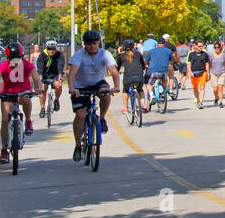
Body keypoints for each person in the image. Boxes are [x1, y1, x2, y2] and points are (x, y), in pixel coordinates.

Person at [65, 29, 120, 162]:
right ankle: (78, 145)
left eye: (94, 43)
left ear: (98, 42)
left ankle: (101, 118)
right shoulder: (79, 55)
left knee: (106, 92)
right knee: (80, 115)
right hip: (80, 86)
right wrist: (72, 88)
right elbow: (72, 73)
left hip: (97, 83)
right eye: (88, 43)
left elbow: (113, 70)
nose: (91, 46)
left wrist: (117, 86)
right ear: (84, 44)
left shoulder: (104, 54)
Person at [0, 43, 42, 165]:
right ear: (8, 58)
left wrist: (38, 87)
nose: (16, 61)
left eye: (18, 58)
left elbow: (36, 77)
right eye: (12, 59)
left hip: (23, 92)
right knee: (5, 120)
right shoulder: (3, 66)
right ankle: (4, 150)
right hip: (8, 94)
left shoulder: (27, 64)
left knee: (27, 98)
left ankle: (28, 121)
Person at [118, 40, 148, 115]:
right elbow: (143, 64)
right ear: (133, 47)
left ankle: (125, 108)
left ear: (124, 47)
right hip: (139, 77)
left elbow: (117, 67)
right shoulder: (138, 54)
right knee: (140, 89)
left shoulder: (121, 56)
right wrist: (143, 69)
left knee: (125, 90)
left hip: (128, 77)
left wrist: (117, 71)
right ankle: (143, 105)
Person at [36, 41, 64, 117]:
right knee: (43, 88)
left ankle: (56, 100)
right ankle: (42, 108)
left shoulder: (59, 55)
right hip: (45, 75)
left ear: (56, 49)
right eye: (49, 49)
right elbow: (40, 66)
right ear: (46, 49)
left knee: (58, 85)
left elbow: (60, 65)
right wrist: (40, 77)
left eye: (53, 49)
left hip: (55, 74)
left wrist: (60, 76)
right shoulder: (42, 55)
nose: (51, 51)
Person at [145, 39, 175, 107]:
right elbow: (171, 61)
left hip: (153, 71)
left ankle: (152, 95)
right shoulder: (168, 51)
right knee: (165, 79)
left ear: (157, 44)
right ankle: (162, 93)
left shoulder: (151, 51)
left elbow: (145, 60)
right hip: (163, 71)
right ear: (164, 44)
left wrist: (146, 65)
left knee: (148, 83)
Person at [187, 40, 211, 108]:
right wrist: (190, 72)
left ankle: (200, 102)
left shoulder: (205, 54)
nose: (201, 47)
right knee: (195, 88)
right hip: (194, 73)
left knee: (202, 87)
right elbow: (189, 64)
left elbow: (207, 64)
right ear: (196, 46)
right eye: (199, 46)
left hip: (202, 72)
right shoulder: (191, 54)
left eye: (202, 46)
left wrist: (208, 74)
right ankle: (197, 99)